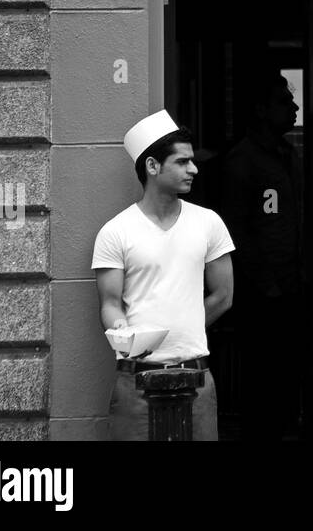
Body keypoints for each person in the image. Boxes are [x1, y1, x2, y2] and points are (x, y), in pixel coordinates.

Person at [92, 109, 235, 441]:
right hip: (135, 379)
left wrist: (182, 330)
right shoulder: (116, 231)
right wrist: (125, 334)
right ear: (153, 167)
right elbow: (110, 304)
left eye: (192, 161)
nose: (194, 169)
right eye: (182, 162)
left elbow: (224, 296)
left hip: (196, 374)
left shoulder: (208, 222)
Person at [221, 70, 304, 440]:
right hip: (260, 291)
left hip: (292, 284)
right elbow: (236, 230)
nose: (294, 106)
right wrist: (266, 283)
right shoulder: (243, 161)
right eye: (284, 101)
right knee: (261, 380)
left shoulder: (288, 154)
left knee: (288, 376)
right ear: (260, 109)